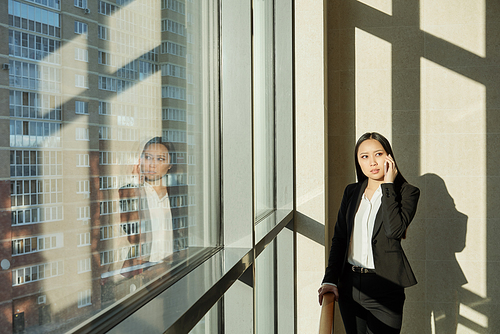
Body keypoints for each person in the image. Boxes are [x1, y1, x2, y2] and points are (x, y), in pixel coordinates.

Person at [318, 132, 420, 334]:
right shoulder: (352, 192)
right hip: (350, 286)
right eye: (364, 156)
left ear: (389, 157)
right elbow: (339, 238)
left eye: (378, 154)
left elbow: (394, 231)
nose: (372, 162)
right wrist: (330, 278)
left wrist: (388, 186)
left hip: (385, 287)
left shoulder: (407, 192)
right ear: (358, 162)